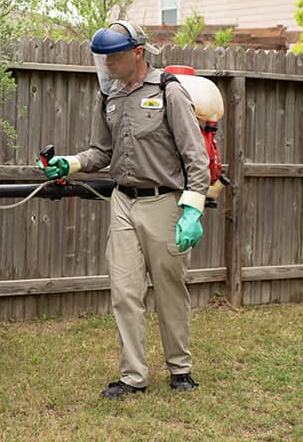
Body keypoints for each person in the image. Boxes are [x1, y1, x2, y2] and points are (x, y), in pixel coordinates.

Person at [38, 20, 210, 399]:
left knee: (169, 289)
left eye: (113, 58)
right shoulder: (109, 97)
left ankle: (180, 369)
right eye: (103, 60)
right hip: (123, 202)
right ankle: (134, 377)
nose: (108, 66)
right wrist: (71, 163)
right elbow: (103, 152)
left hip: (165, 202)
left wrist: (193, 209)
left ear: (137, 53)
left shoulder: (169, 91)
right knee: (125, 292)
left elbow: (196, 156)